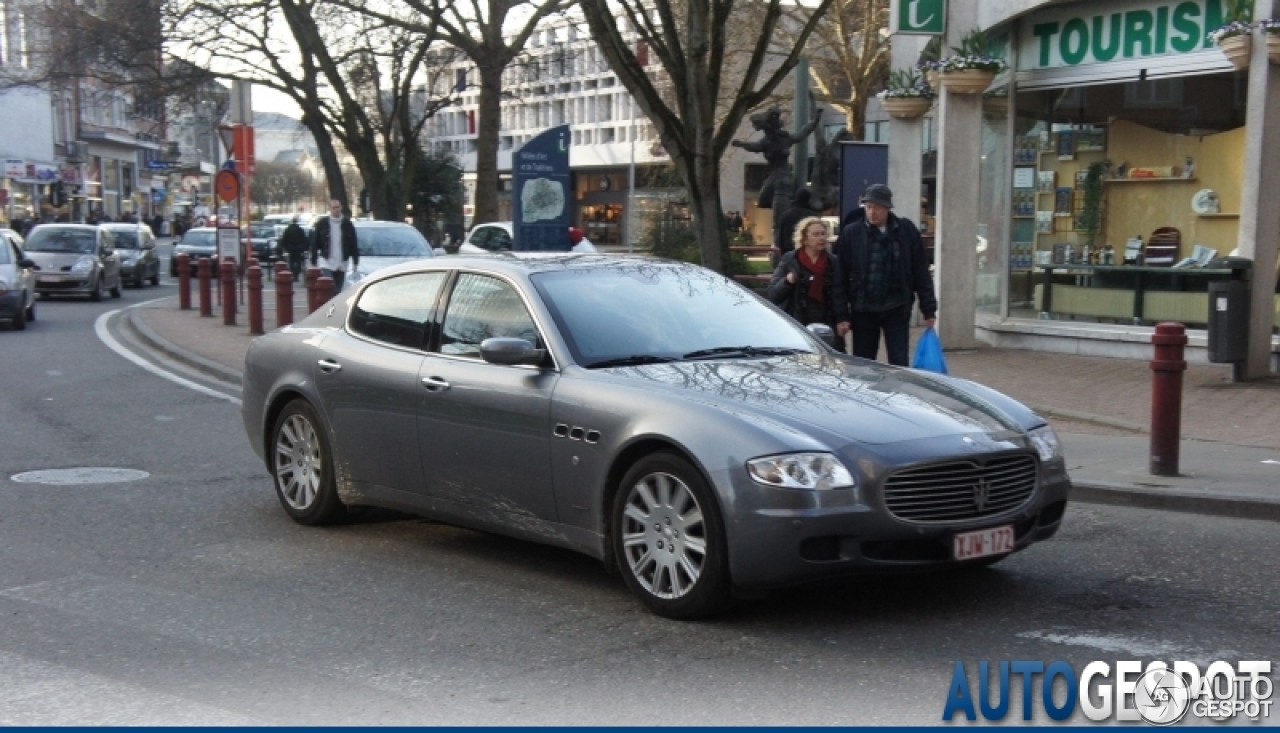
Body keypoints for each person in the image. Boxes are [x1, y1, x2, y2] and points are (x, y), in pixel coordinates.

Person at [833, 183, 937, 367]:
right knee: (863, 362)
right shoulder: (852, 233)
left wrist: (928, 308)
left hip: (896, 306)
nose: (872, 212)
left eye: (877, 207)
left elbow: (920, 270)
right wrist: (842, 314)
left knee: (898, 361)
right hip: (863, 308)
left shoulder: (906, 231)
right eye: (868, 207)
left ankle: (898, 393)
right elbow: (840, 276)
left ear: (887, 208)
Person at [766, 217, 849, 347]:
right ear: (804, 239)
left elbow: (840, 292)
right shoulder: (790, 260)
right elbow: (772, 294)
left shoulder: (833, 262)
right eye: (816, 234)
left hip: (827, 322)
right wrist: (787, 282)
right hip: (797, 322)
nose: (821, 238)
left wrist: (842, 318)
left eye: (823, 234)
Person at [310, 199, 359, 291]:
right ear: (330, 209)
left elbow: (353, 243)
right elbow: (315, 242)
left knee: (338, 289)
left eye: (338, 207)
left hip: (342, 261)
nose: (336, 210)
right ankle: (330, 303)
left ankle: (335, 304)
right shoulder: (323, 223)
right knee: (329, 286)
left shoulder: (347, 224)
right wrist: (313, 261)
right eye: (333, 208)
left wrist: (355, 261)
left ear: (341, 208)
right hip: (326, 261)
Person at [772, 188, 820, 265]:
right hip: (808, 252)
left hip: (789, 252)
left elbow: (780, 236)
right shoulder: (813, 216)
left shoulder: (787, 215)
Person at [280, 216, 310, 280]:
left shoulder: (287, 229)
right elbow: (304, 239)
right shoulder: (300, 229)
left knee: (291, 262)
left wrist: (284, 247)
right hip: (298, 249)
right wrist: (305, 248)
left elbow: (284, 239)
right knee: (298, 262)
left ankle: (292, 274)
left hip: (290, 248)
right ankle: (296, 275)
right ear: (297, 222)